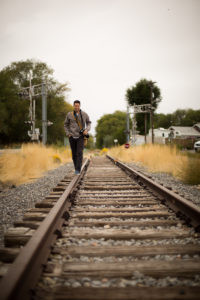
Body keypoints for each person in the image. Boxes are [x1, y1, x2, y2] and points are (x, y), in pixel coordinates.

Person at [64, 100, 91, 175]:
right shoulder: (69, 114)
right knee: (74, 154)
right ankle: (76, 167)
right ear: (73, 106)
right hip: (72, 136)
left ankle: (78, 170)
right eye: (75, 106)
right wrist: (68, 134)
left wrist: (86, 129)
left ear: (80, 106)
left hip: (81, 137)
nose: (76, 107)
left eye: (78, 106)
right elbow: (65, 125)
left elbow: (89, 123)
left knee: (79, 153)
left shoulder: (84, 114)